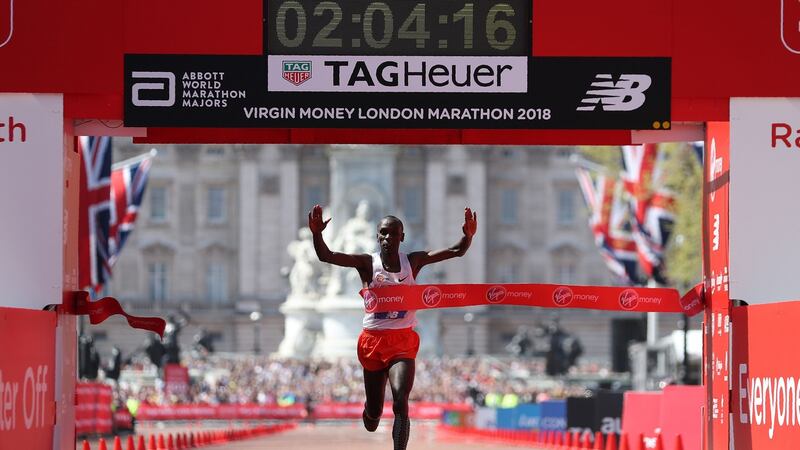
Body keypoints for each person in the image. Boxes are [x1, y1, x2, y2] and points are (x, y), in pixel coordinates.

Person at [308, 204, 477, 450]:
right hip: (373, 342)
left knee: (400, 401)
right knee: (374, 416)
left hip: (402, 342)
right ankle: (370, 411)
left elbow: (456, 250)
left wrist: (468, 235)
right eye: (383, 233)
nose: (387, 238)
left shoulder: (413, 262)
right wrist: (316, 233)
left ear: (402, 237)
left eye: (392, 233)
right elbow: (327, 256)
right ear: (377, 237)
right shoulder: (367, 264)